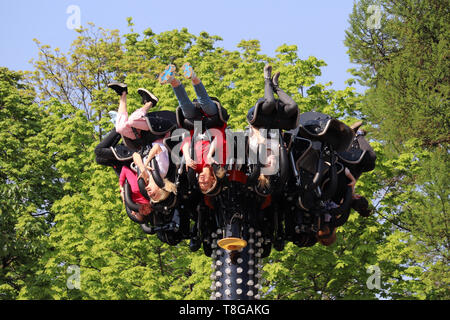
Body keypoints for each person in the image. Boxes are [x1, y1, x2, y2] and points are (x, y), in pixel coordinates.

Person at [159, 63, 226, 194]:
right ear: (213, 179)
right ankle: (193, 76)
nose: (202, 180)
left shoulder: (195, 165)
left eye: (201, 183)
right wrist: (210, 156)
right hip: (213, 121)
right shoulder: (219, 163)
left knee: (185, 108)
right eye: (206, 183)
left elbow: (186, 141)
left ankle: (173, 80)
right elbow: (219, 137)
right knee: (205, 104)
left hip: (195, 125)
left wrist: (188, 158)